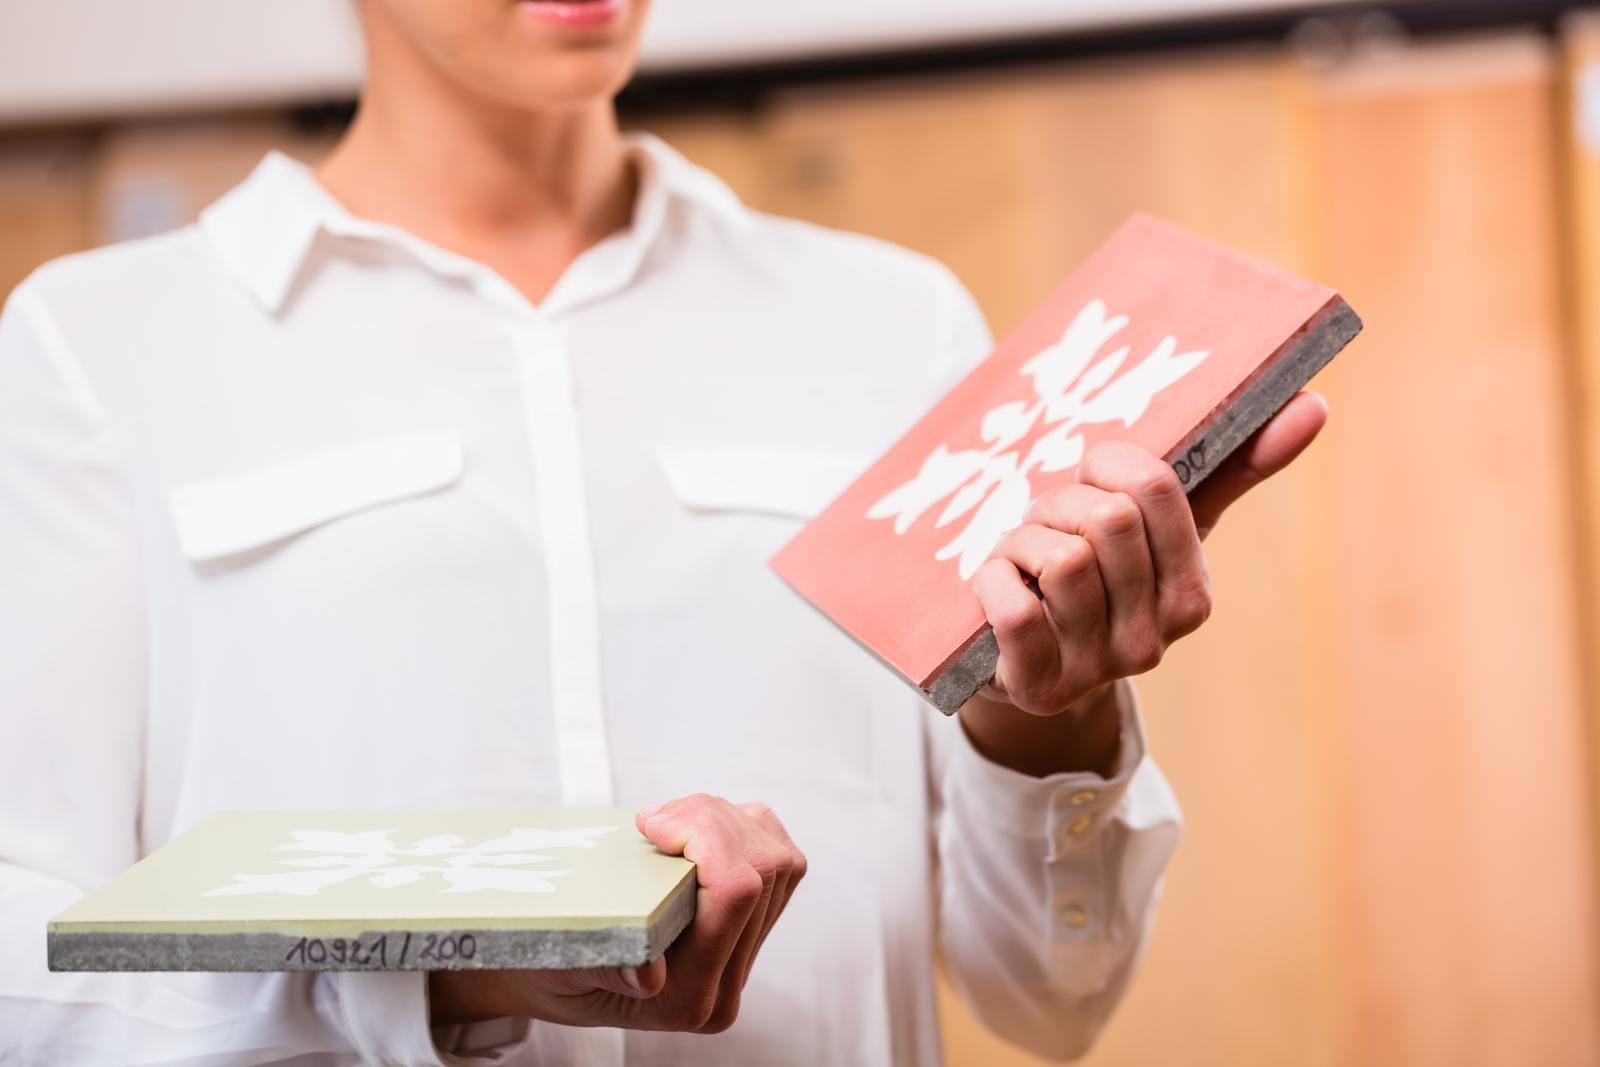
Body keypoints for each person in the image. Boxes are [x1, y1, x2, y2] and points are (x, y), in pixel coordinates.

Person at [0, 1, 1327, 1064]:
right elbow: (22, 970)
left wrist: (1049, 715)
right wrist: (438, 985)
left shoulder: (886, 326)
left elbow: (1054, 999)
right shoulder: (100, 351)